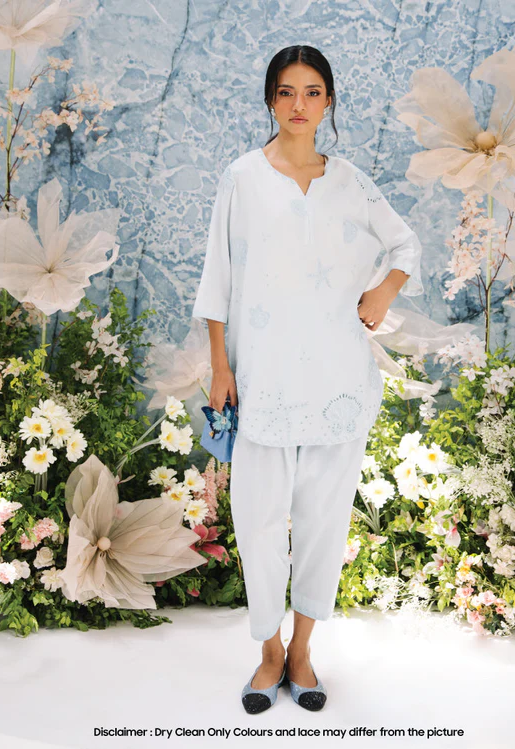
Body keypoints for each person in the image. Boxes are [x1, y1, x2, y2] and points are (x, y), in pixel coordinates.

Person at [191, 45, 424, 713]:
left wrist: (384, 290)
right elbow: (218, 277)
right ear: (271, 99)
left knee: (324, 519)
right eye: (287, 92)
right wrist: (220, 365)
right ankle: (268, 652)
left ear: (329, 102)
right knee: (258, 520)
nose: (299, 105)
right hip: (261, 380)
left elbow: (405, 244)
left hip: (338, 378)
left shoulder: (350, 182)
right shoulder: (242, 178)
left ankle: (302, 652)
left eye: (313, 92)